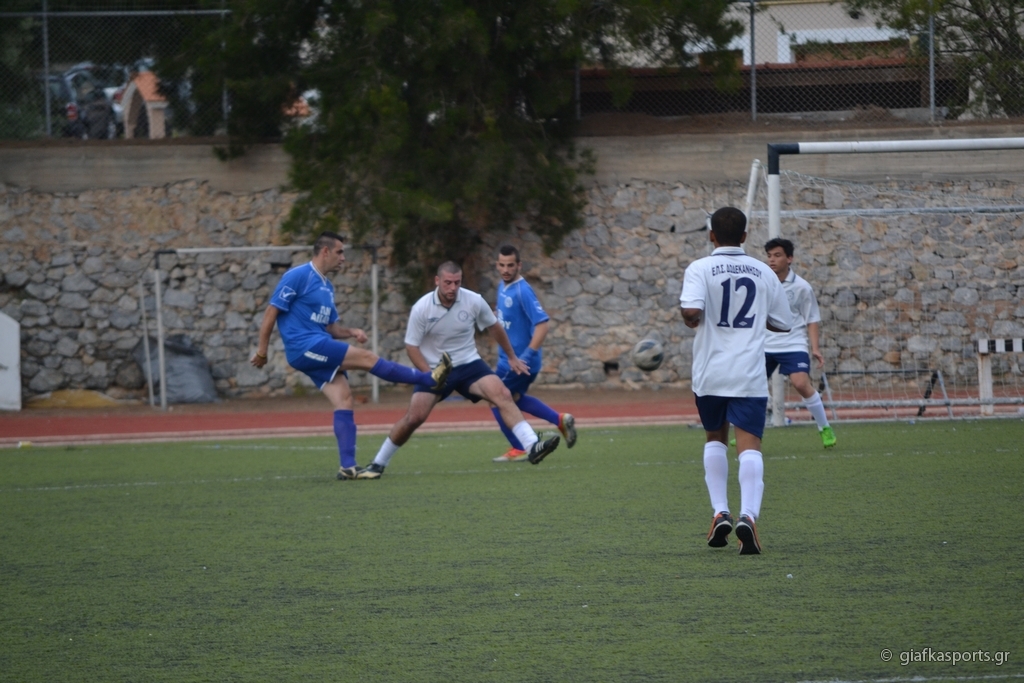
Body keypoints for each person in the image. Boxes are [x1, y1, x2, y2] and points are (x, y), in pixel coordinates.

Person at [250, 232, 452, 480]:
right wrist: (262, 351)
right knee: (367, 359)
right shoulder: (298, 275)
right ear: (325, 251)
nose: (343, 258)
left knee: (344, 400)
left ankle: (348, 466)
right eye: (340, 252)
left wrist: (351, 332)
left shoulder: (327, 286)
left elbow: (331, 328)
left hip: (319, 343)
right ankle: (429, 379)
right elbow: (272, 311)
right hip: (304, 346)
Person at [356, 261, 561, 479]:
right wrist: (428, 374)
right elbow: (411, 347)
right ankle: (377, 463)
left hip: (469, 364)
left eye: (457, 282)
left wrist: (512, 357)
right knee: (414, 418)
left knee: (502, 394)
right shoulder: (422, 308)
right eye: (448, 283)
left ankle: (532, 446)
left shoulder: (473, 300)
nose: (453, 288)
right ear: (437, 281)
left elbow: (495, 327)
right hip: (436, 368)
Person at [680, 207, 792, 555]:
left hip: (710, 372)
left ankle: (720, 512)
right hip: (748, 373)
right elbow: (783, 323)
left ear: (711, 235)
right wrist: (756, 318)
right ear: (744, 236)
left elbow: (691, 312)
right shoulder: (763, 271)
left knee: (715, 438)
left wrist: (693, 318)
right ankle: (748, 517)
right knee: (750, 446)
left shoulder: (699, 268)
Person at [489, 245, 577, 462]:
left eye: (511, 265)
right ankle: (559, 420)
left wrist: (526, 356)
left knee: (494, 399)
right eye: (502, 265)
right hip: (509, 360)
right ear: (497, 265)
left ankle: (519, 447)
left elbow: (542, 325)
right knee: (514, 399)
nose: (506, 270)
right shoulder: (502, 286)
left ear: (519, 265)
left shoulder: (522, 291)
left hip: (518, 362)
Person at [763, 238, 836, 449]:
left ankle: (824, 427)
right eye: (769, 256)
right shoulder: (762, 283)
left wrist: (815, 348)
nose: (772, 260)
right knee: (752, 388)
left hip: (793, 343)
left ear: (790, 258)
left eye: (777, 255)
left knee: (801, 384)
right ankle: (751, 430)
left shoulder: (802, 287)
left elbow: (811, 319)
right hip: (765, 345)